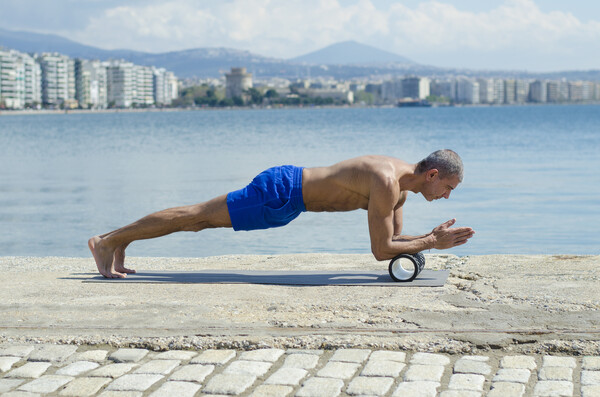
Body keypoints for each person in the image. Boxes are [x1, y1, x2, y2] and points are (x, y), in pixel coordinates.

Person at [89, 149, 475, 278]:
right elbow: (379, 252)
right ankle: (107, 241)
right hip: (282, 191)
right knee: (198, 217)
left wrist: (429, 238)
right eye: (447, 189)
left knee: (199, 220)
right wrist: (432, 243)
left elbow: (393, 243)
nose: (446, 196)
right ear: (433, 174)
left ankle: (120, 240)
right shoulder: (387, 182)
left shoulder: (400, 194)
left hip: (288, 202)